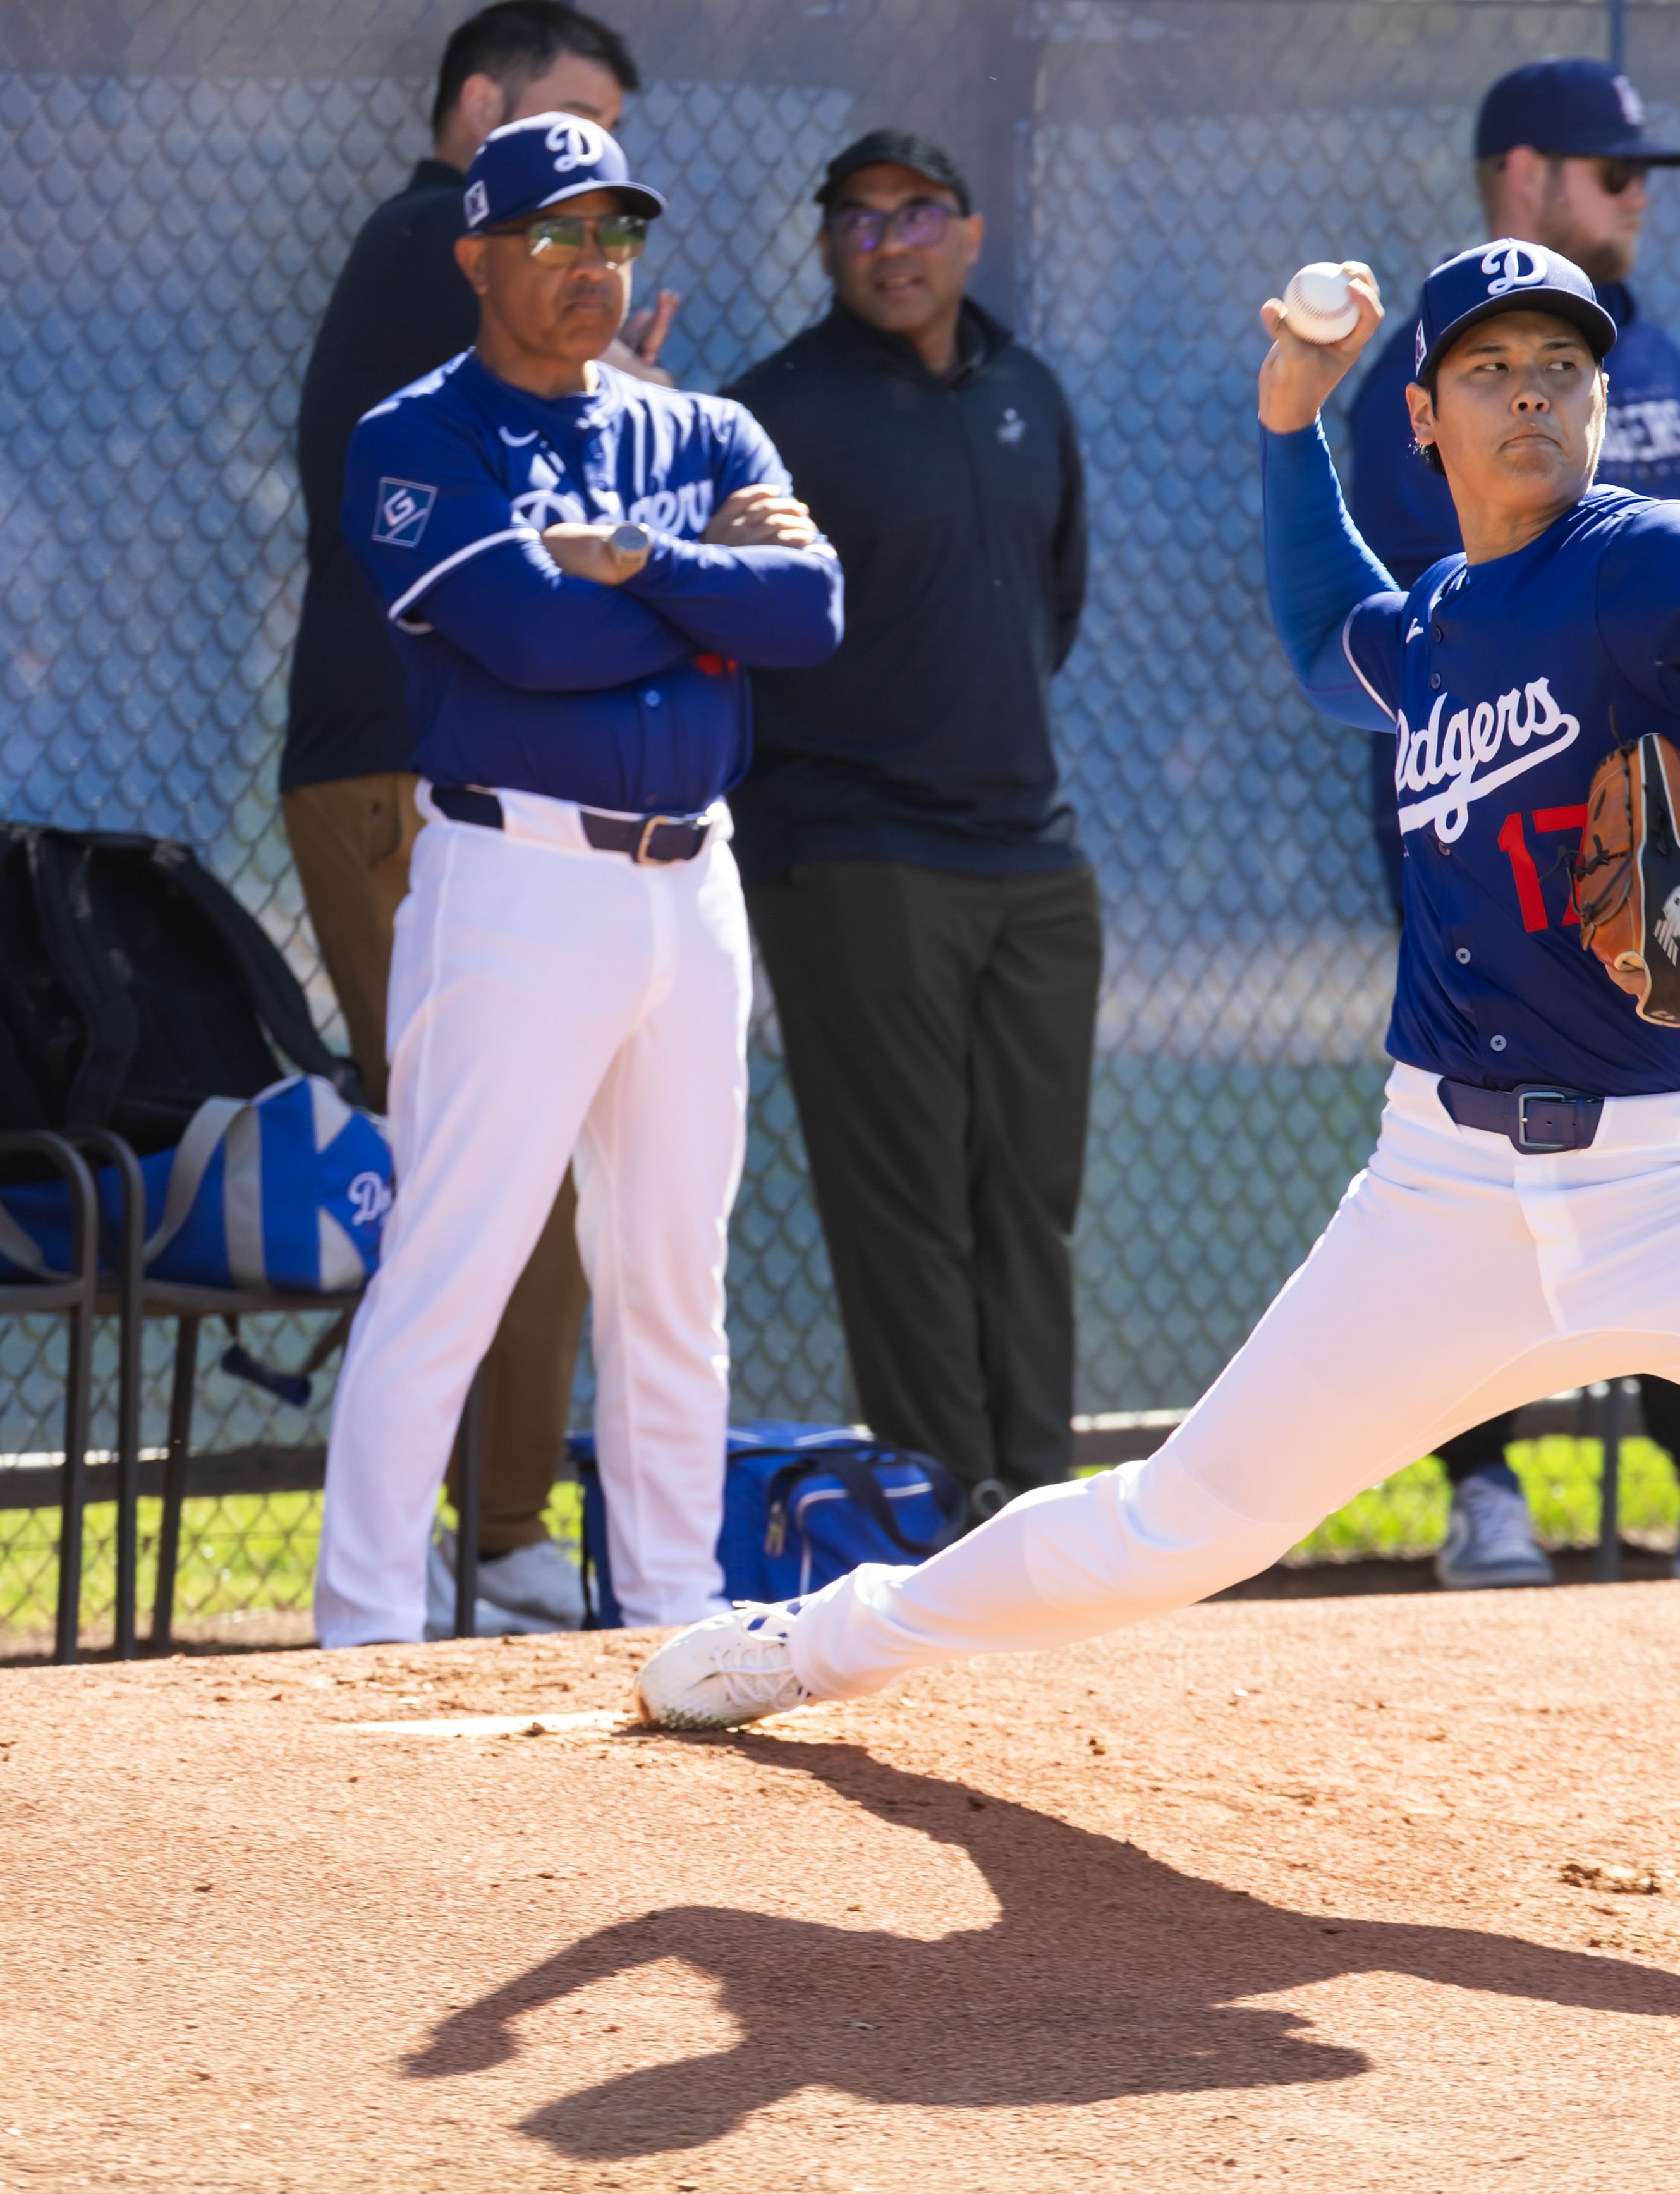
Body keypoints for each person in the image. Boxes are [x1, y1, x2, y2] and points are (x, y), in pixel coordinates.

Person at [634, 243, 1680, 1992]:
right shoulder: (1431, 626)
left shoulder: (1652, 561)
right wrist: (1286, 423)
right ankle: (812, 1650)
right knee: (1172, 1526)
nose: (1530, 398)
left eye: (1559, 369)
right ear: (1420, 417)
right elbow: (1315, 632)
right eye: (1488, 371)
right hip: (1438, 1203)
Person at [310, 114, 844, 1647]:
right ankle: (362, 1621)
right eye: (554, 234)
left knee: (674, 1274)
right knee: (453, 1263)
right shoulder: (415, 436)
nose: (591, 264)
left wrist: (640, 563)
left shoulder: (704, 430)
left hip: (695, 885)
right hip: (514, 876)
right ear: (476, 254)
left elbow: (809, 609)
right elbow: (531, 642)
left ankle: (674, 1610)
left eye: (614, 235)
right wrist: (703, 594)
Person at [1346, 56, 1680, 1591]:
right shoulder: (1413, 396)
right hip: (1495, 821)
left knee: (1672, 1137)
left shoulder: (1657, 362)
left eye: (1640, 178)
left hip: (1659, 836)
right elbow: (1455, 607)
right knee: (1495, 1150)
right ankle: (1484, 1486)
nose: (1636, 198)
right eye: (1611, 172)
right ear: (1522, 177)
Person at [285, 0, 682, 1634]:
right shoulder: (424, 245)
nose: (586, 183)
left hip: (495, 777)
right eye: (560, 128)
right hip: (406, 770)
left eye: (609, 151)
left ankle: (493, 1543)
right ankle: (476, 1552)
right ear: (473, 113)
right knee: (485, 1153)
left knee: (536, 1153)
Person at [721, 131, 1093, 1508]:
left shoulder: (1029, 394)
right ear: (825, 245)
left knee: (1027, 1203)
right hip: (854, 851)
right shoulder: (775, 416)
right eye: (860, 220)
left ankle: (1038, 1508)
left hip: (1033, 858)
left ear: (972, 232)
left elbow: (1053, 607)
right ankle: (945, 1511)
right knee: (906, 1212)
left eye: (920, 213)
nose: (892, 242)